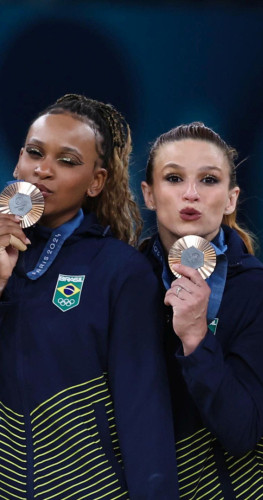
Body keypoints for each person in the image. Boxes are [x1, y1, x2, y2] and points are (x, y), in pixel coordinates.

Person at [0, 94, 177, 498]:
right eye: (34, 152)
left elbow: (143, 412)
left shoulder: (119, 271)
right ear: (18, 162)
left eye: (67, 161)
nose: (43, 170)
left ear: (96, 182)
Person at [140, 122, 263, 499]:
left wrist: (196, 338)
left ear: (230, 199)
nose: (190, 194)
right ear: (149, 194)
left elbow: (243, 431)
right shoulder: (124, 277)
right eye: (174, 178)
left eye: (209, 180)